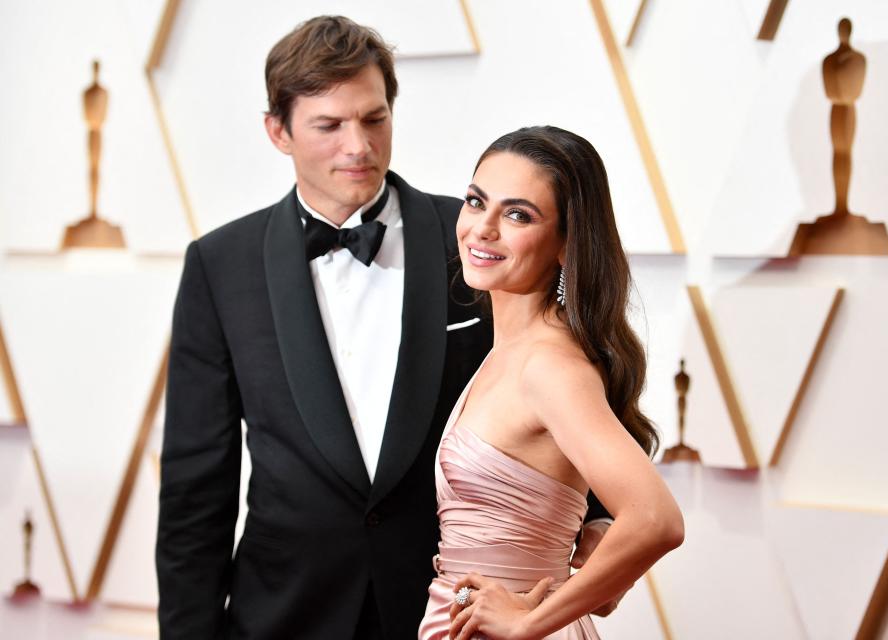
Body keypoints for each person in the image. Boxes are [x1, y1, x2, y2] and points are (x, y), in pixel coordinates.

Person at [156, 17, 615, 639]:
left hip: (447, 611)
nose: (359, 146)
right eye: (329, 125)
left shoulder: (477, 237)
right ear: (278, 132)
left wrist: (593, 519)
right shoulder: (220, 265)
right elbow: (196, 487)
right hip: (283, 614)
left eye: (374, 119)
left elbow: (570, 375)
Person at [418, 127, 685, 640]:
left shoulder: (548, 367)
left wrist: (530, 623)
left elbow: (657, 518)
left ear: (566, 244)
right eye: (476, 202)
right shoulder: (511, 351)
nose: (483, 229)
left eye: (518, 214)